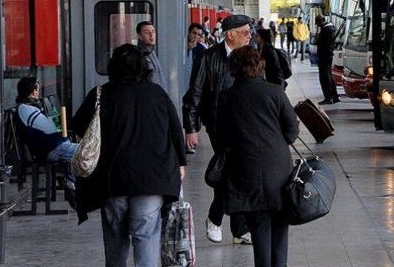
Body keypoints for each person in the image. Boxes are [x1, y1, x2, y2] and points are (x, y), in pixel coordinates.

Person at [72, 44, 186, 267]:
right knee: (146, 236)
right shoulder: (157, 94)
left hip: (112, 179)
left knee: (115, 237)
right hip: (150, 180)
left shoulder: (101, 94)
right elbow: (175, 130)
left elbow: (78, 126)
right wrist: (181, 163)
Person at [217, 46, 299, 267]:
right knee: (280, 228)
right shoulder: (275, 92)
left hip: (245, 171)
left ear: (233, 69)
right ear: (259, 65)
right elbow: (292, 131)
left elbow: (222, 135)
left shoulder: (227, 97)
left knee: (259, 228)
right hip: (278, 171)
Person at [182, 14, 252, 245]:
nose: (249, 35)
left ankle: (236, 228)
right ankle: (217, 219)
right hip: (218, 125)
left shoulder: (250, 56)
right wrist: (191, 128)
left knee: (237, 172)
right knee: (231, 170)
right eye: (245, 32)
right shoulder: (208, 58)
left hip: (245, 124)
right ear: (230, 35)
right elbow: (194, 95)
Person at [15, 77, 78, 162]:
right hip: (52, 148)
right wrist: (54, 114)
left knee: (88, 151)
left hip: (55, 146)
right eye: (37, 89)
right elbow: (51, 128)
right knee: (88, 151)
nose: (38, 93)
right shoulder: (26, 109)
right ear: (33, 91)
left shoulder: (26, 107)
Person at [315, 15, 341, 105]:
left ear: (322, 21)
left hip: (324, 56)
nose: (317, 25)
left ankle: (328, 97)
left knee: (324, 77)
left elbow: (323, 44)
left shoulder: (326, 30)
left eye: (318, 22)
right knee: (328, 76)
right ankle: (335, 96)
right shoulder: (330, 29)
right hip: (327, 56)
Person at [136, 21, 167, 92]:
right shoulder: (141, 55)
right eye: (147, 32)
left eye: (153, 31)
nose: (151, 35)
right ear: (139, 36)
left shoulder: (152, 51)